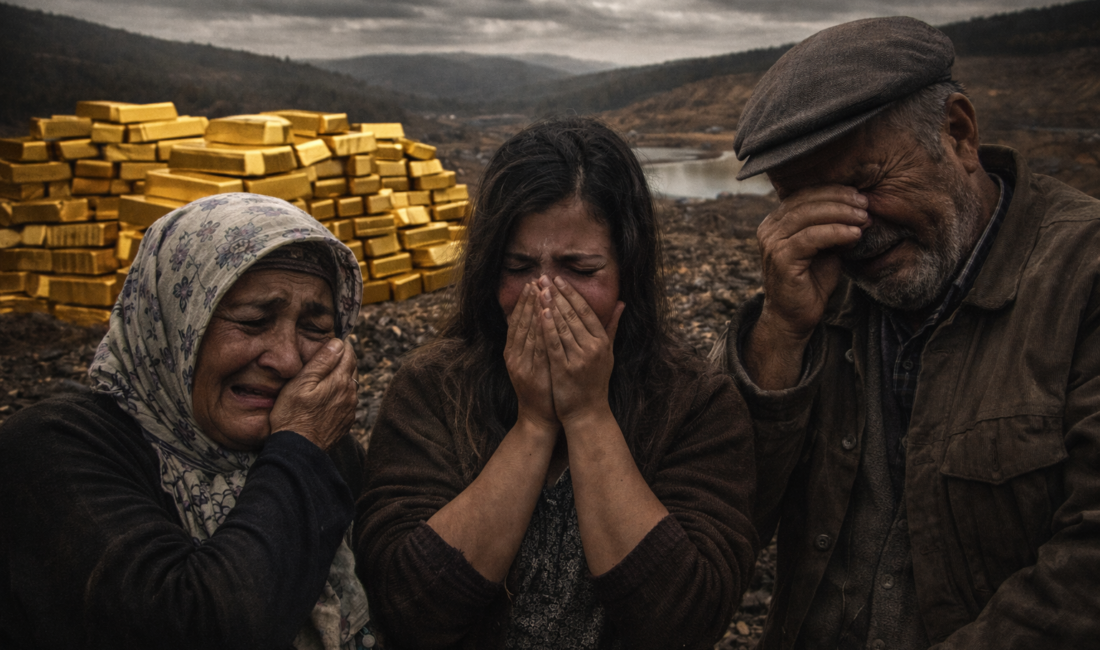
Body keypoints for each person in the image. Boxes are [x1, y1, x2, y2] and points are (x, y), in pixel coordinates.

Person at [710, 15, 1100, 650]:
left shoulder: (1083, 279)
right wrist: (779, 333)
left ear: (958, 133)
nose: (849, 229)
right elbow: (719, 513)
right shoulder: (813, 294)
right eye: (805, 204)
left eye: (865, 184)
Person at [355, 117, 758, 649]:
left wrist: (588, 413)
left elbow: (682, 622)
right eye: (519, 266)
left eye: (580, 268)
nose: (543, 295)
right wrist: (535, 424)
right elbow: (408, 609)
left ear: (627, 273)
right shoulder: (433, 388)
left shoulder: (695, 404)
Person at [0, 193, 377, 650]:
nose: (287, 359)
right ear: (174, 325)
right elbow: (195, 626)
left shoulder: (326, 451)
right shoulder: (54, 449)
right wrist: (298, 448)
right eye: (255, 320)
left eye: (315, 328)